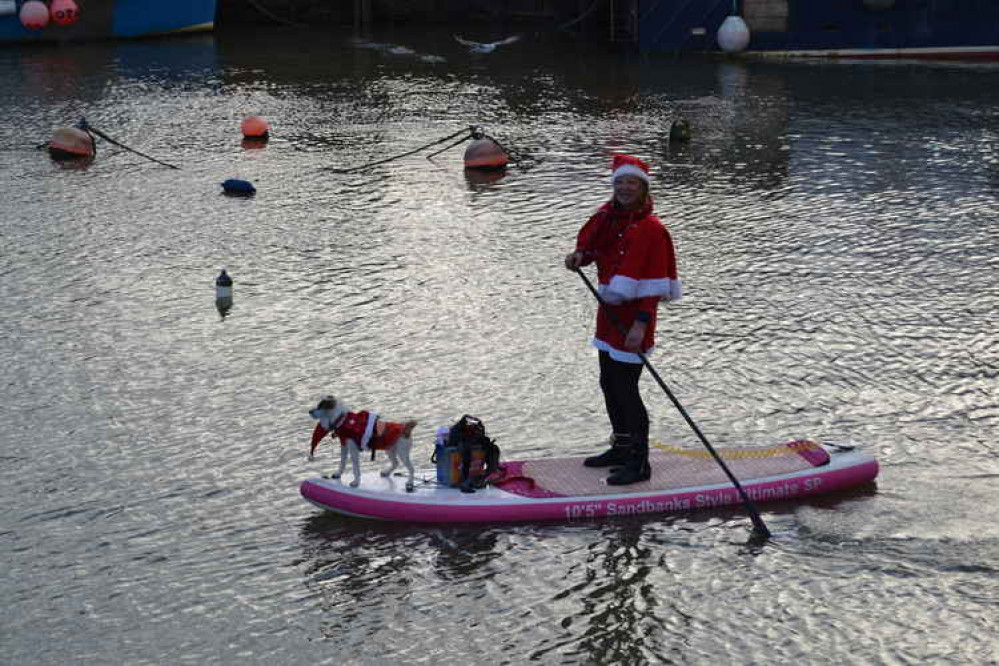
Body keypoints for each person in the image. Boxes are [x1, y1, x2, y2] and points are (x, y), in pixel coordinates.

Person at [564, 154, 682, 485]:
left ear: (642, 187)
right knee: (608, 383)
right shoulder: (611, 221)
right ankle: (621, 447)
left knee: (626, 388)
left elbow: (654, 284)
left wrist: (641, 325)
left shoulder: (653, 230)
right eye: (620, 183)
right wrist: (579, 258)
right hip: (609, 313)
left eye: (631, 183)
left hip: (634, 320)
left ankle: (640, 464)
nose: (624, 188)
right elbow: (596, 251)